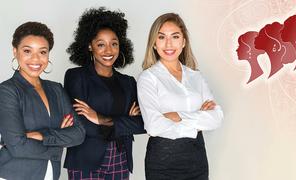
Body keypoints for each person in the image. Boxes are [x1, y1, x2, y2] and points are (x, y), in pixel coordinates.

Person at [137, 13, 224, 180]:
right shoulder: (148, 78)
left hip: (197, 159)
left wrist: (176, 116)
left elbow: (216, 118)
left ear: (183, 42)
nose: (168, 44)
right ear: (154, 43)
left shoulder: (195, 77)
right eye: (161, 37)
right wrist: (197, 121)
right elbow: (154, 126)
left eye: (175, 36)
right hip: (163, 162)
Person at [63, 7, 145, 180]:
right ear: (89, 46)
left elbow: (142, 123)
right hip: (85, 159)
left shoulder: (128, 82)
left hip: (120, 158)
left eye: (114, 43)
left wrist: (100, 118)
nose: (109, 50)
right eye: (101, 44)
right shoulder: (76, 77)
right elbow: (80, 123)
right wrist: (123, 124)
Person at [0, 22, 85, 180]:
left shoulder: (56, 89)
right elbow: (17, 147)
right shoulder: (7, 91)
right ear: (15, 51)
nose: (35, 59)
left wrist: (42, 136)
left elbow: (79, 133)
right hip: (14, 175)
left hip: (50, 174)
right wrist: (59, 145)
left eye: (42, 52)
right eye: (27, 51)